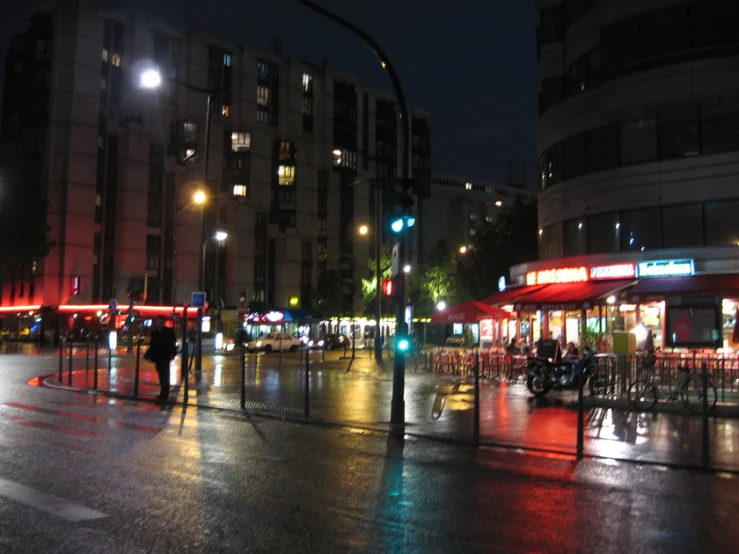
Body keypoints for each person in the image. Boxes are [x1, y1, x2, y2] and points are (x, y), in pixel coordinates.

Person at [147, 316, 177, 402]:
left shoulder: (168, 331)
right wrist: (150, 356)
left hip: (165, 356)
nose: (158, 323)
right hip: (157, 357)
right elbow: (152, 345)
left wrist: (172, 354)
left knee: (165, 374)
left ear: (163, 322)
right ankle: (162, 392)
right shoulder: (155, 332)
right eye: (157, 321)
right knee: (160, 374)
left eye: (160, 321)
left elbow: (172, 343)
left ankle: (165, 393)